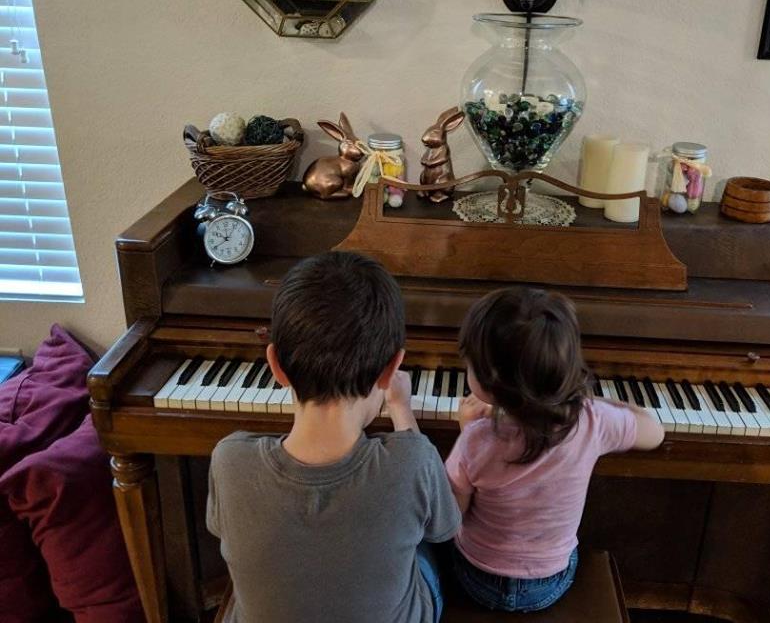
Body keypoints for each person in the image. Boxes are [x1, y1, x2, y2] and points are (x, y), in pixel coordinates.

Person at [207, 252, 461, 623]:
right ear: (392, 368)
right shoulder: (414, 460)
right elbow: (445, 529)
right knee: (423, 546)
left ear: (275, 365)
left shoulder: (229, 459)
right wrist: (401, 409)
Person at [445, 288, 665, 612]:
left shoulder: (475, 440)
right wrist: (583, 400)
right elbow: (655, 432)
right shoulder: (592, 421)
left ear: (491, 383)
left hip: (478, 580)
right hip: (549, 585)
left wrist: (467, 430)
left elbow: (452, 515)